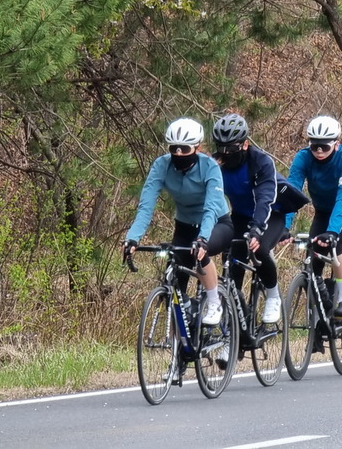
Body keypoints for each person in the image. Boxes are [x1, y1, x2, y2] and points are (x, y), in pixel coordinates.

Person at [122, 117, 233, 325]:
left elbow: (210, 208)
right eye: (174, 148)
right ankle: (179, 339)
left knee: (200, 253)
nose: (179, 154)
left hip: (216, 223)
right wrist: (132, 238)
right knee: (174, 293)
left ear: (197, 147)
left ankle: (214, 302)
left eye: (185, 149)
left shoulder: (210, 167)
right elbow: (146, 207)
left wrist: (202, 239)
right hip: (184, 227)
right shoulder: (161, 165)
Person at [287, 115, 342, 323]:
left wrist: (333, 232)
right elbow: (291, 193)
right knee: (314, 260)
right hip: (323, 211)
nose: (319, 151)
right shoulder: (303, 158)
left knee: (335, 243)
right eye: (314, 146)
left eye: (324, 146)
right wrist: (284, 227)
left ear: (336, 143)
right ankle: (321, 313)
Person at [211, 113, 285, 324]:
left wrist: (257, 229)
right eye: (221, 147)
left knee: (258, 249)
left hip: (270, 215)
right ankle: (237, 325)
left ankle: (273, 295)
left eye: (231, 148)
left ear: (244, 144)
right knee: (231, 265)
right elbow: (208, 198)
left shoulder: (260, 162)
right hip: (240, 216)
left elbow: (265, 198)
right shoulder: (214, 164)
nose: (225, 153)